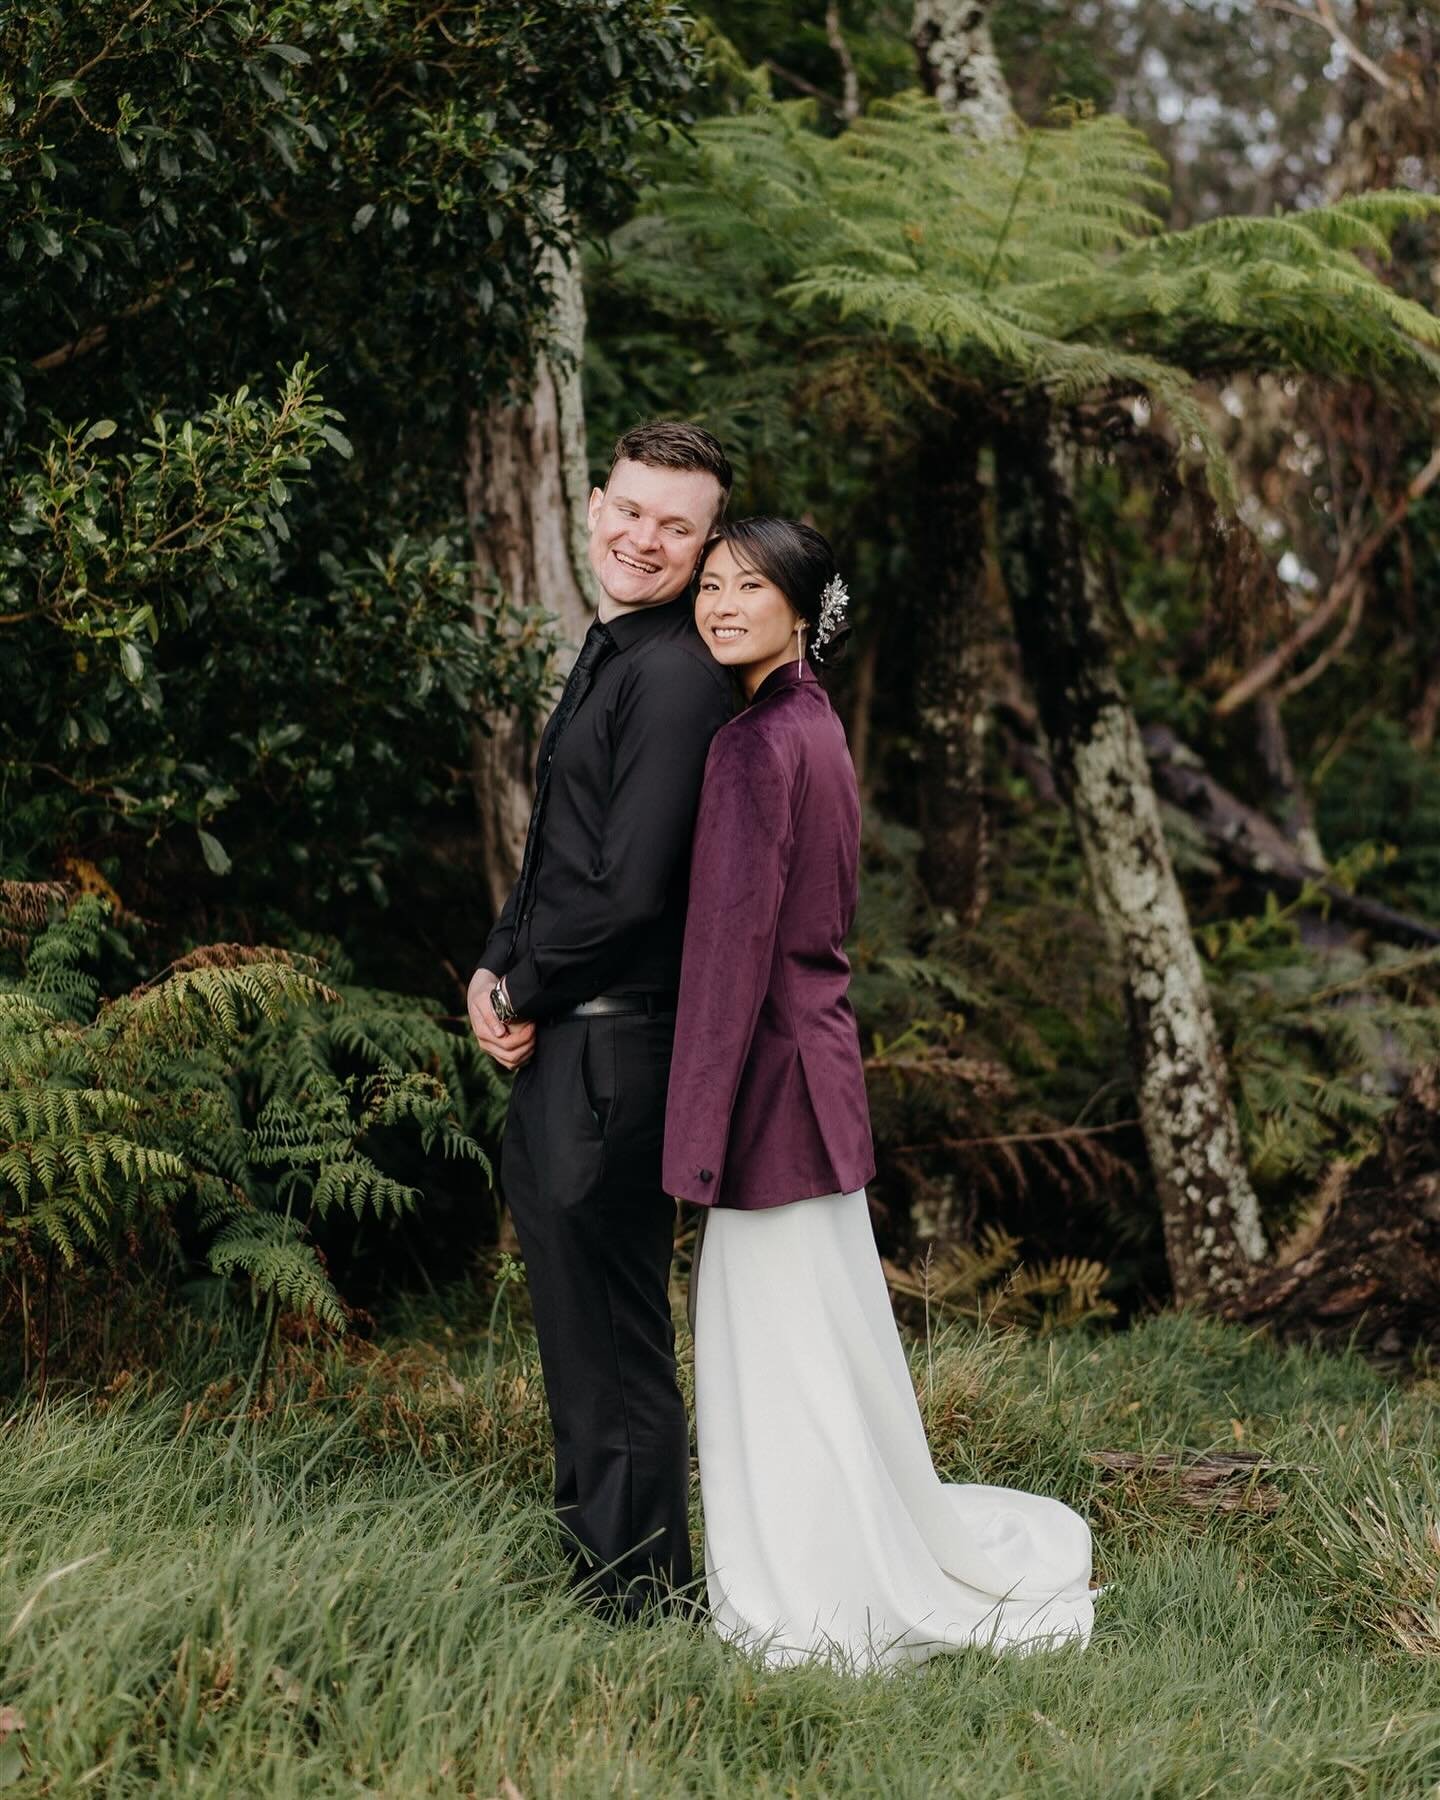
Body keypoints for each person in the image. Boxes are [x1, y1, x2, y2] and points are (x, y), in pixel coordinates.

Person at [664, 518, 1095, 1671]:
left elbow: (728, 958)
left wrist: (688, 1144)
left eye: (748, 586)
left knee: (777, 1353)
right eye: (711, 584)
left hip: (766, 1088)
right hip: (819, 1069)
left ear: (802, 609)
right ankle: (855, 1551)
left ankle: (817, 1589)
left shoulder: (755, 745)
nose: (721, 602)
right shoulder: (815, 723)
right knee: (821, 1344)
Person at [468, 421, 734, 1619]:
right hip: (569, 1029)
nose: (643, 538)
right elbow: (557, 854)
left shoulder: (675, 675)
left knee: (613, 1338)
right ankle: (608, 1579)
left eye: (675, 527)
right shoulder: (614, 646)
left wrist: (528, 988)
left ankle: (636, 1601)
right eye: (630, 511)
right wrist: (494, 967)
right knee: (578, 1332)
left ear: (707, 542)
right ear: (590, 503)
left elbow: (632, 890)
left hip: (615, 1045)